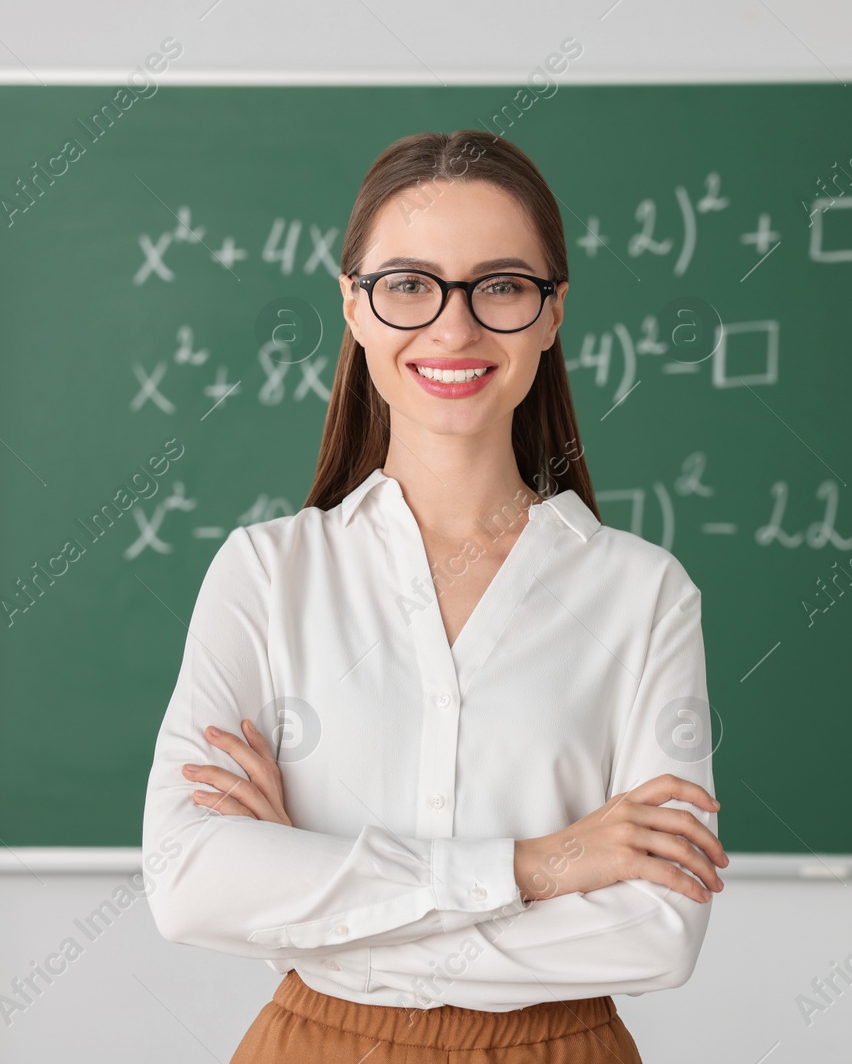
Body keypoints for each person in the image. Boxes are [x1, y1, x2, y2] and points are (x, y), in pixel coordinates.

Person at [141, 128, 726, 1064]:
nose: (453, 329)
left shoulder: (641, 592)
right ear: (354, 305)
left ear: (551, 312)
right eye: (409, 284)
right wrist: (535, 866)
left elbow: (654, 931)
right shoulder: (266, 574)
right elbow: (190, 881)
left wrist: (319, 901)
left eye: (500, 286)